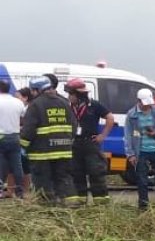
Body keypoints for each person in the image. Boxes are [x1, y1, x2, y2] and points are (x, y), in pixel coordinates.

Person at [20, 76, 78, 205]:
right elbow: (74, 125)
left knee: (43, 181)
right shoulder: (64, 102)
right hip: (64, 151)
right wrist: (67, 141)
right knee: (64, 179)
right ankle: (71, 206)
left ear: (37, 90)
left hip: (42, 153)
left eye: (32, 91)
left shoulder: (36, 104)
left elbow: (28, 130)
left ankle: (47, 208)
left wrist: (23, 146)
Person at [64, 79, 114, 205]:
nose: (69, 97)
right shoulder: (68, 107)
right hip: (75, 144)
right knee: (76, 173)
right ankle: (80, 202)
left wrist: (103, 135)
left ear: (79, 95)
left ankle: (101, 202)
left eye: (71, 94)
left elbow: (110, 117)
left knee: (95, 172)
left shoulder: (94, 105)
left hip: (90, 144)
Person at [125, 88, 155, 211]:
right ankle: (143, 207)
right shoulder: (132, 115)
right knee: (142, 182)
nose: (147, 107)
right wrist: (131, 154)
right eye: (144, 104)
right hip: (141, 152)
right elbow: (128, 135)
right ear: (138, 101)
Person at [0, 80, 25, 199]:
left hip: (1, 136)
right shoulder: (18, 102)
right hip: (15, 137)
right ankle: (20, 191)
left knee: (1, 165)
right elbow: (24, 117)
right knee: (17, 165)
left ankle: (1, 190)